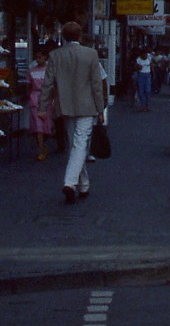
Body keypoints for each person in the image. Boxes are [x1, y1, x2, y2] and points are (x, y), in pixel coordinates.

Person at [38, 22, 105, 204]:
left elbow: (48, 84)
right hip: (86, 106)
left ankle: (83, 185)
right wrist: (101, 109)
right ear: (80, 36)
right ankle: (71, 182)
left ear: (64, 36)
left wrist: (42, 106)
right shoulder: (91, 54)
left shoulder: (55, 55)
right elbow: (96, 85)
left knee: (75, 145)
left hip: (65, 106)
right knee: (80, 144)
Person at [27, 44, 54, 161]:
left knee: (46, 124)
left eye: (40, 57)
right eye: (37, 57)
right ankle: (41, 149)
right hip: (35, 97)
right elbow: (28, 85)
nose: (38, 60)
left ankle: (43, 144)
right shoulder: (31, 71)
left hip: (47, 97)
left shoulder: (49, 70)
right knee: (38, 125)